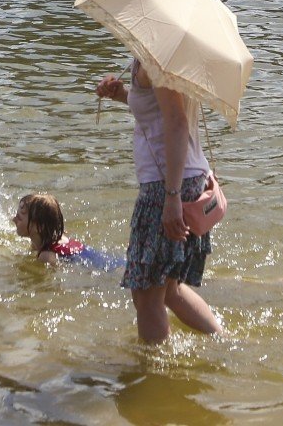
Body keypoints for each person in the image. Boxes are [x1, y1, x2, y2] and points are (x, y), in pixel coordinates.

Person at [95, 59, 221, 344]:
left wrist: (172, 197)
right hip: (182, 177)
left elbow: (176, 123)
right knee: (168, 289)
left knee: (147, 293)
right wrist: (122, 94)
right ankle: (223, 340)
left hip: (167, 183)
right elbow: (160, 109)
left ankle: (153, 372)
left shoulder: (158, 61)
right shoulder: (159, 56)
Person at [13, 193, 107, 265]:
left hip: (101, 267)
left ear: (39, 227)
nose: (13, 219)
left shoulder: (46, 256)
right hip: (100, 257)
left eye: (19, 218)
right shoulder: (51, 237)